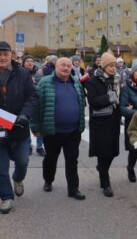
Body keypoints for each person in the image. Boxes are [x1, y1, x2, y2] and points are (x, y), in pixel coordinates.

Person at [31, 58, 86, 200]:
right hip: (52, 131)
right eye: (63, 65)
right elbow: (36, 106)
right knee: (51, 158)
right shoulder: (45, 82)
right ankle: (48, 180)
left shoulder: (76, 82)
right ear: (56, 66)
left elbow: (81, 103)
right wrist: (35, 127)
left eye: (68, 66)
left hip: (73, 131)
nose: (66, 68)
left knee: (72, 160)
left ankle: (73, 189)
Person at [0, 42, 38, 214]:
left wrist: (24, 115)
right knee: (1, 168)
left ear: (11, 55)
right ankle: (7, 197)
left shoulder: (22, 73)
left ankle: (18, 178)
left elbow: (32, 96)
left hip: (19, 128)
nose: (2, 57)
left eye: (5, 54)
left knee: (22, 162)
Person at [86, 52, 121, 197]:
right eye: (110, 66)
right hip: (100, 122)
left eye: (115, 65)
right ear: (104, 66)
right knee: (103, 152)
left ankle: (102, 168)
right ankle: (105, 183)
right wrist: (110, 97)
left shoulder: (117, 80)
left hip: (114, 120)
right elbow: (93, 101)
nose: (113, 68)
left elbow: (120, 99)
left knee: (113, 152)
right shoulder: (94, 80)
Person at [21, 54, 45, 156]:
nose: (30, 63)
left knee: (40, 126)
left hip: (37, 104)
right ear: (23, 63)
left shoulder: (39, 75)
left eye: (31, 61)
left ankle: (40, 147)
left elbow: (42, 87)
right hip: (24, 104)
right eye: (27, 61)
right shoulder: (19, 74)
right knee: (25, 125)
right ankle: (29, 146)